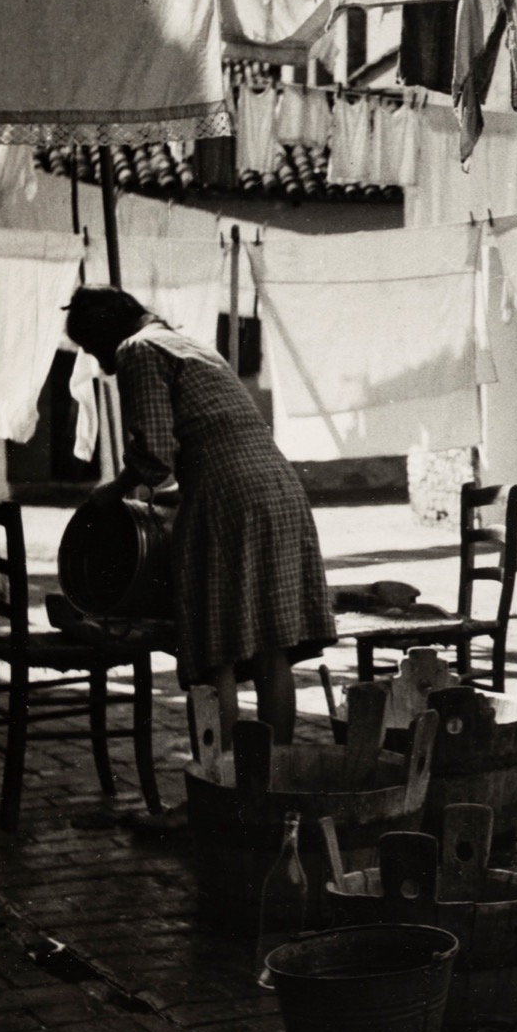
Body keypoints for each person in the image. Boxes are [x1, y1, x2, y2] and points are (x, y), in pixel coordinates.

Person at [65, 286, 333, 746]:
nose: (96, 360)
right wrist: (179, 494)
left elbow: (154, 453)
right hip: (278, 489)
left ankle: (218, 779)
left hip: (228, 499)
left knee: (213, 653)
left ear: (104, 333)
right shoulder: (187, 344)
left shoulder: (137, 349)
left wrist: (114, 491)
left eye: (91, 347)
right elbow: (208, 438)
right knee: (272, 648)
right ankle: (272, 774)